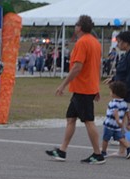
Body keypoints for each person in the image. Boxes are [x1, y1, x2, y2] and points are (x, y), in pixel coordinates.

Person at [45, 15, 104, 165]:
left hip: (83, 88)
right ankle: (62, 151)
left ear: (80, 27)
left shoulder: (82, 42)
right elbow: (97, 67)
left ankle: (98, 154)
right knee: (71, 118)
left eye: (76, 25)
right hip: (85, 87)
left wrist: (63, 84)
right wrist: (96, 87)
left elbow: (78, 66)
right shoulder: (95, 43)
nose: (75, 27)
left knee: (88, 120)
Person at [101, 80, 130, 159]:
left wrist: (117, 120)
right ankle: (129, 148)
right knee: (120, 138)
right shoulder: (124, 103)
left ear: (114, 93)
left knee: (105, 139)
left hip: (110, 124)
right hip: (118, 126)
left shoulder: (113, 103)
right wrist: (129, 121)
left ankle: (103, 152)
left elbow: (115, 112)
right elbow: (127, 113)